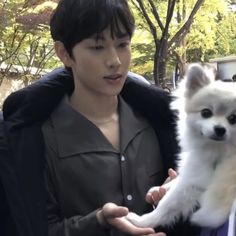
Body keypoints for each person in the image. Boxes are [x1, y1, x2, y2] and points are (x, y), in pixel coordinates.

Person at [0, 0, 200, 235]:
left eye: (123, 44)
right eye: (97, 47)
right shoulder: (33, 138)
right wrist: (97, 221)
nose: (115, 60)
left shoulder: (159, 123)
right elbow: (35, 227)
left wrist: (178, 195)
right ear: (64, 53)